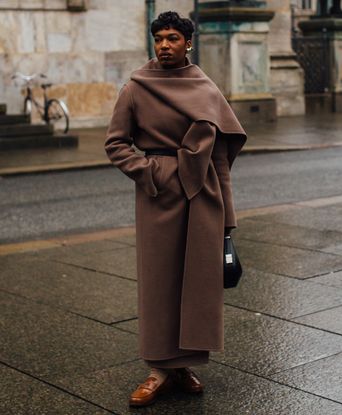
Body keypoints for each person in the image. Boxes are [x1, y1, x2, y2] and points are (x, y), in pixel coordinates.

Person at [105, 11, 247, 407]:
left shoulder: (205, 87)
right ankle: (157, 368)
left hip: (204, 196)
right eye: (158, 38)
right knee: (159, 281)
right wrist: (150, 171)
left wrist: (228, 219)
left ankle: (183, 365)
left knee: (198, 285)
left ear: (189, 42)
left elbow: (219, 157)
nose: (164, 45)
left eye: (172, 38)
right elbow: (116, 143)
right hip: (159, 195)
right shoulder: (136, 87)